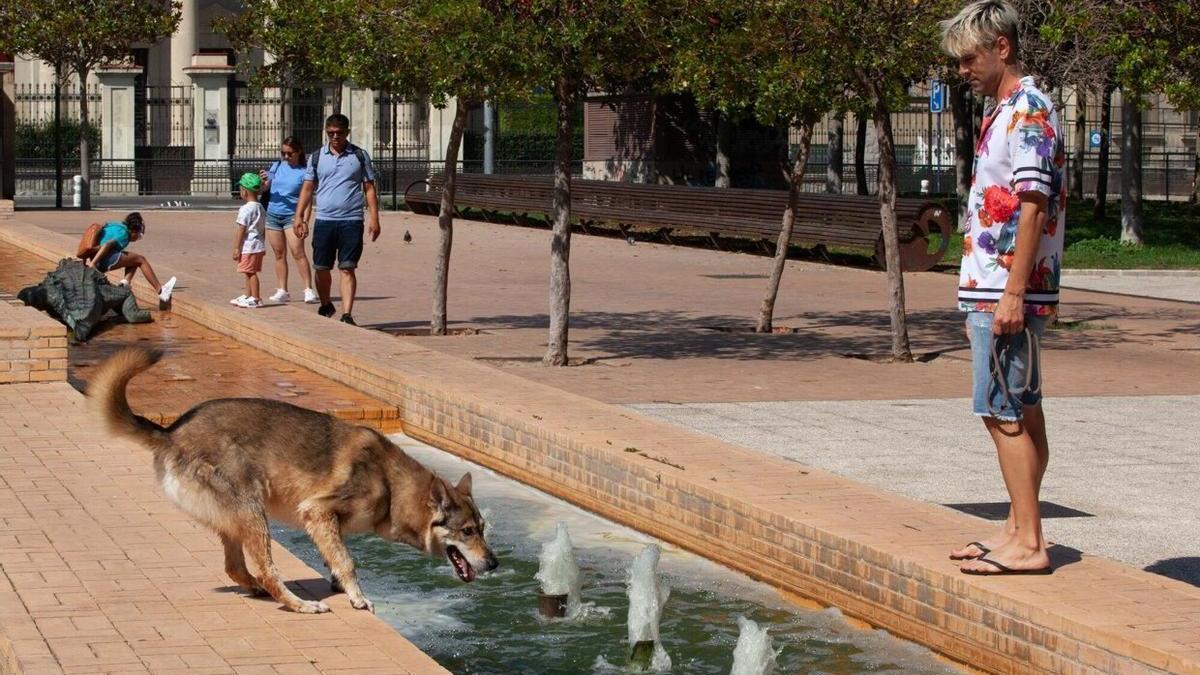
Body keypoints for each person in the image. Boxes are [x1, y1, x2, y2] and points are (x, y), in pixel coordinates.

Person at [940, 0, 1066, 576]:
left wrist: (1014, 292)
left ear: (1002, 48)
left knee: (1003, 410)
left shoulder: (1029, 111)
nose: (961, 69)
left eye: (969, 57)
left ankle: (1030, 542)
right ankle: (1018, 526)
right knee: (1021, 408)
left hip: (1006, 290)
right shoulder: (1007, 109)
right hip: (997, 285)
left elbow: (1035, 204)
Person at [293, 113, 381, 326]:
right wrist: (299, 217)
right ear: (326, 132)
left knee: (347, 267)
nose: (335, 137)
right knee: (321, 268)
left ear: (347, 132)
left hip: (351, 220)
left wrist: (374, 218)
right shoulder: (316, 157)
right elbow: (307, 189)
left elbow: (369, 188)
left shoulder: (359, 156)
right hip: (324, 220)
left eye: (339, 133)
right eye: (330, 133)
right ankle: (326, 304)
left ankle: (347, 314)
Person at [259, 137, 319, 305]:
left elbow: (306, 199)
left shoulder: (304, 172)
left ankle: (308, 289)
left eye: (289, 153)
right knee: (279, 254)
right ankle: (282, 290)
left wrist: (304, 220)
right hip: (273, 214)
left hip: (292, 216)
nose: (285, 156)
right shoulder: (277, 166)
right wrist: (263, 181)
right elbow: (266, 188)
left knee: (298, 252)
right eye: (283, 153)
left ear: (298, 152)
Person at [83, 212, 176, 304]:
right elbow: (107, 244)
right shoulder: (124, 234)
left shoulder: (117, 225)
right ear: (134, 231)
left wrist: (86, 258)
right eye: (139, 235)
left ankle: (125, 284)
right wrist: (93, 264)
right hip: (102, 259)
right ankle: (161, 291)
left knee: (134, 260)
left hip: (97, 257)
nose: (137, 239)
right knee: (141, 260)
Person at [231, 173, 268, 308]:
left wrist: (236, 247)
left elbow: (241, 229)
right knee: (248, 271)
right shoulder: (260, 208)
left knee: (251, 273)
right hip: (258, 245)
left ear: (244, 191)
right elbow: (263, 228)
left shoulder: (245, 209)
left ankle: (256, 297)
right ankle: (248, 295)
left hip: (249, 246)